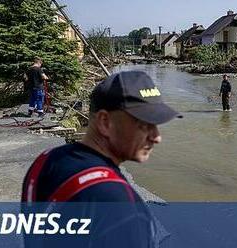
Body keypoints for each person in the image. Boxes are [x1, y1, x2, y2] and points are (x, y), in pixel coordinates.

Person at [22, 71, 182, 247]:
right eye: (144, 125)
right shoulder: (121, 204)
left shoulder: (45, 161)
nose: (156, 137)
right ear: (105, 122)